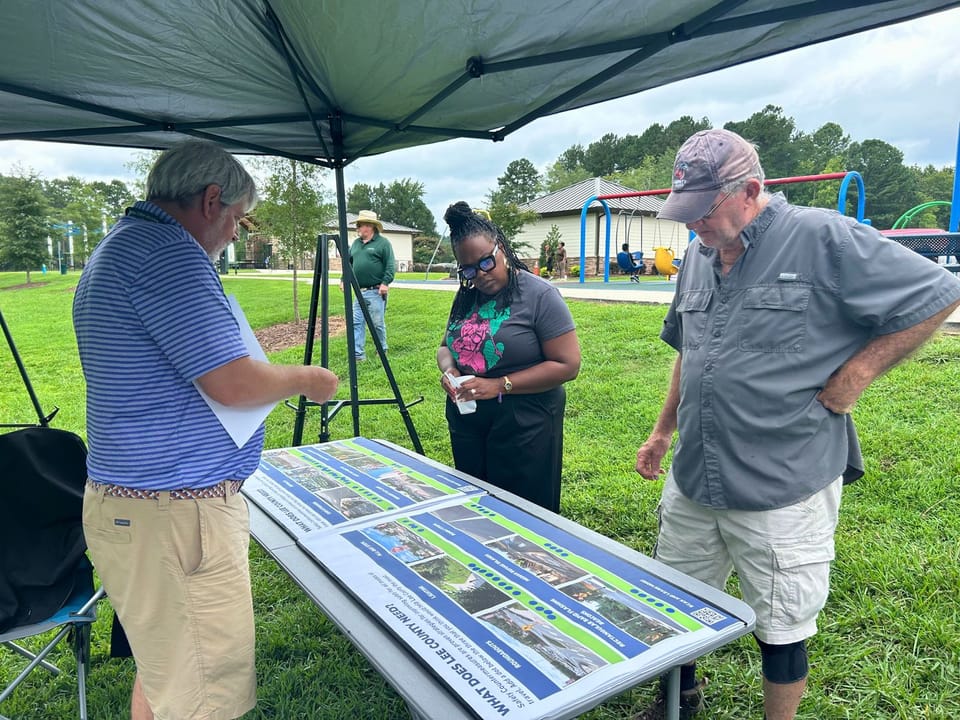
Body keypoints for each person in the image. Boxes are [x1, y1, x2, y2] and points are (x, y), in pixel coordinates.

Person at [633, 128, 960, 720]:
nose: (692, 227)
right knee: (675, 599)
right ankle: (679, 698)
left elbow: (938, 291)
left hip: (782, 479)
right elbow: (690, 346)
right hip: (695, 471)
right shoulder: (699, 256)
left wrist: (856, 375)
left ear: (751, 190)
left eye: (702, 212)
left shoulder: (820, 236)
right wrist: (663, 430)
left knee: (782, 624)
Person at [72, 139, 339, 720]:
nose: (235, 235)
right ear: (212, 199)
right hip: (175, 515)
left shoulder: (119, 248)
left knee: (171, 672)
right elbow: (233, 384)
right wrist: (306, 377)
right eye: (238, 219)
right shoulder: (167, 254)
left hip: (144, 508)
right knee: (205, 693)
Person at [436, 202, 581, 512]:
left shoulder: (539, 295)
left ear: (501, 247)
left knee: (524, 513)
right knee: (476, 507)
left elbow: (568, 365)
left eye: (486, 262)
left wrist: (499, 385)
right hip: (470, 420)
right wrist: (449, 371)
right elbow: (446, 345)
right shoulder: (466, 297)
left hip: (525, 422)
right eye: (469, 270)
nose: (481, 275)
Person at [345, 209, 395, 361]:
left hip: (375, 291)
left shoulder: (383, 243)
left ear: (370, 226)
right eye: (358, 226)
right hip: (359, 291)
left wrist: (385, 283)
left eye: (361, 225)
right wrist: (343, 278)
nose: (359, 229)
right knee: (356, 322)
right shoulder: (355, 244)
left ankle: (381, 349)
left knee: (377, 323)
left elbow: (390, 265)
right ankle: (358, 355)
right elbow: (348, 264)